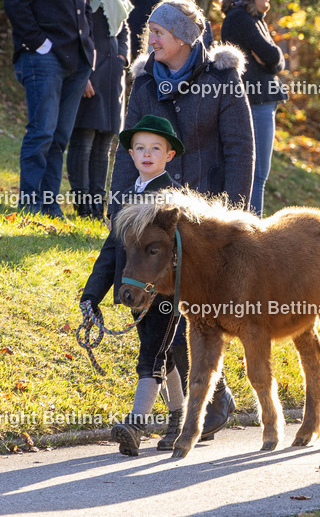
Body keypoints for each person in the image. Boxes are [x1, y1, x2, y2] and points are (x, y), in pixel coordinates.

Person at [112, 0, 255, 439]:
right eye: (149, 30)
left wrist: (235, 214)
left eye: (158, 31)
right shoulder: (144, 81)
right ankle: (210, 401)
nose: (148, 37)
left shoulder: (222, 78)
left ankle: (208, 401)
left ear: (184, 38)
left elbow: (240, 149)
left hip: (207, 220)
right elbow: (129, 147)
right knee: (167, 307)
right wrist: (120, 208)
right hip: (155, 215)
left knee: (202, 308)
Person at [80, 115, 187, 455]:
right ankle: (178, 421)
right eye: (139, 147)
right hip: (134, 292)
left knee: (151, 355)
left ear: (169, 155)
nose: (146, 154)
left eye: (156, 148)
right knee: (164, 354)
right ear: (130, 153)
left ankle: (136, 425)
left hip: (166, 293)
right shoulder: (124, 197)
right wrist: (92, 294)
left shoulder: (173, 201)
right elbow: (111, 251)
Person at [3, 0, 95, 217]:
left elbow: (80, 8)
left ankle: (49, 206)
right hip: (41, 57)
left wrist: (88, 54)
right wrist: (40, 45)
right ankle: (30, 205)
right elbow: (16, 3)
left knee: (59, 137)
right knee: (41, 133)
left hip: (77, 61)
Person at [67, 0, 133, 219]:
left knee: (106, 140)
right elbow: (68, 30)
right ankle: (83, 207)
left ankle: (97, 208)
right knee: (83, 139)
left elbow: (123, 28)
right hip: (86, 71)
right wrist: (82, 72)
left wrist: (122, 58)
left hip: (112, 74)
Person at [220, 0, 288, 216]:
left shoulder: (254, 18)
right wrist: (271, 58)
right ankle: (250, 231)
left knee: (259, 173)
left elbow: (277, 60)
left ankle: (250, 228)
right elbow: (271, 56)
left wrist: (272, 59)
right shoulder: (240, 19)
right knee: (257, 173)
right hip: (254, 102)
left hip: (263, 101)